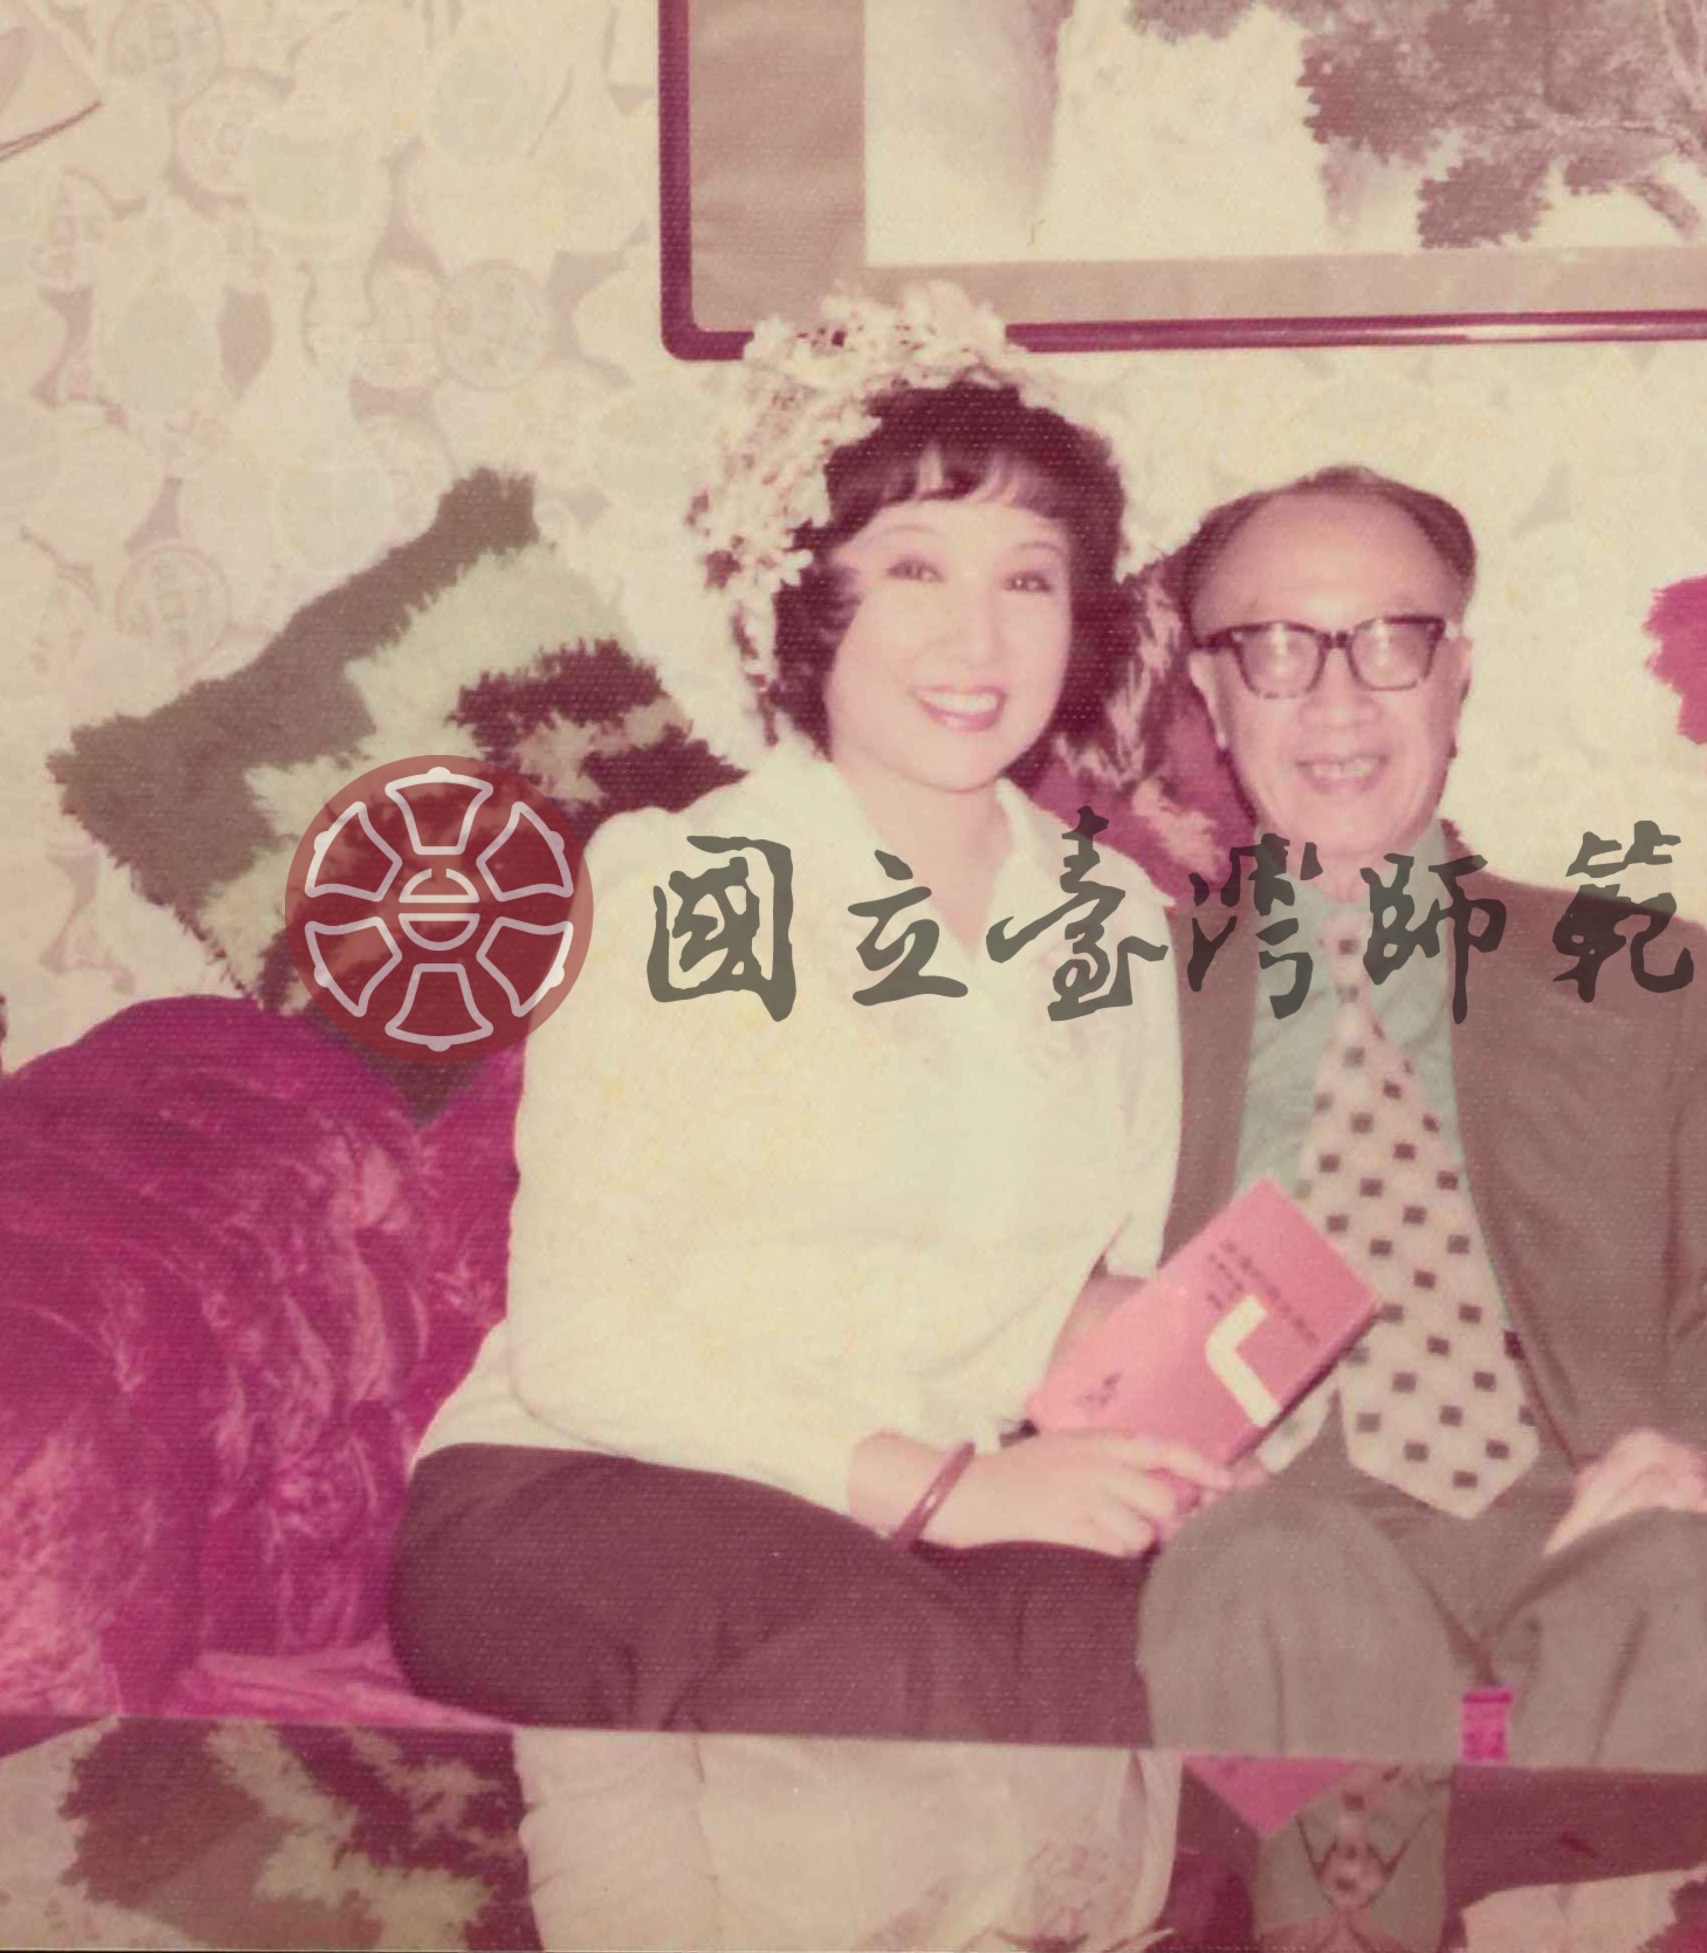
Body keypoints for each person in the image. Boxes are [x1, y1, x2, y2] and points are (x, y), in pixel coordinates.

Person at [390, 292, 1232, 1750]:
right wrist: (943, 1489)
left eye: (1030, 579)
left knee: (1151, 1657)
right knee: (875, 1660)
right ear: (809, 600)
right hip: (589, 1487)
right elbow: (588, 1343)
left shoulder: (1110, 920)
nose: (977, 635)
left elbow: (1086, 1297)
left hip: (928, 1516)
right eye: (914, 567)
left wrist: (1204, 1440)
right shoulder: (677, 885)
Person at [1139, 466, 1707, 1774]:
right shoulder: (1121, 991)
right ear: (1212, 696)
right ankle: (1342, 1887)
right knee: (1264, 1578)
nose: (1337, 699)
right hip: (1275, 1522)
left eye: (1390, 643)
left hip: (1592, 1521)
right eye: (1275, 649)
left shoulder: (1635, 972)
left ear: (1456, 675)